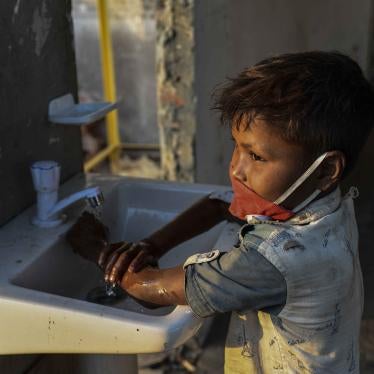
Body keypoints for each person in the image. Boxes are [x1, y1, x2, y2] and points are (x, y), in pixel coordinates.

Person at [67, 51, 374, 373]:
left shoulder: (273, 260)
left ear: (326, 170)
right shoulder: (323, 207)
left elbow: (150, 290)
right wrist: (151, 245)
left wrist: (97, 249)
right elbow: (219, 206)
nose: (236, 169)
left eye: (256, 156)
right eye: (236, 145)